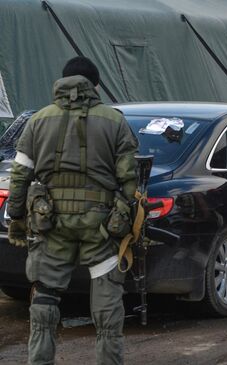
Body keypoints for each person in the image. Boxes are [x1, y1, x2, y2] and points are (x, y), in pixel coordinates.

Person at [7, 56, 138, 364]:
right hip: (101, 223)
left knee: (45, 298)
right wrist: (128, 217)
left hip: (49, 222)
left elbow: (20, 174)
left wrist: (15, 216)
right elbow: (129, 179)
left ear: (62, 82)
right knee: (107, 303)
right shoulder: (114, 120)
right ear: (95, 85)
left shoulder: (38, 120)